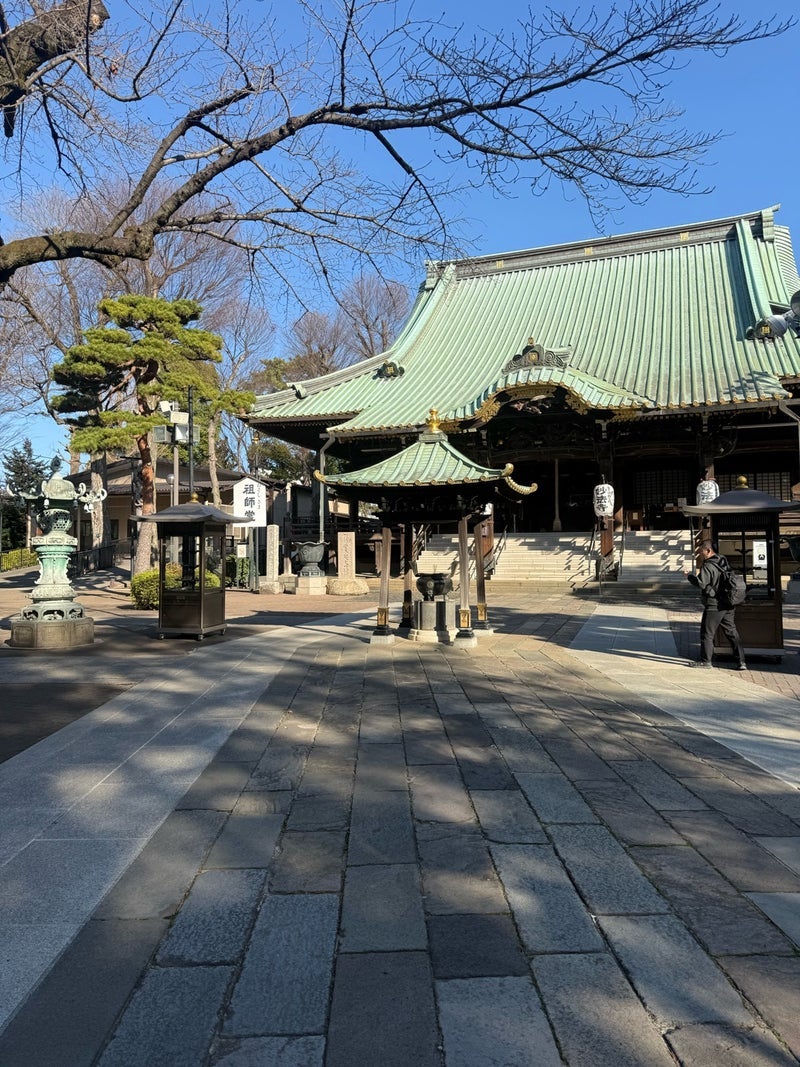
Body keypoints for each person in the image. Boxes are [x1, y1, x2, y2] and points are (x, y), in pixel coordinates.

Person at [684, 539, 747, 670]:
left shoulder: (708, 565)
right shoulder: (722, 560)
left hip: (714, 604)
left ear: (708, 551)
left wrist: (689, 576)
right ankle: (741, 661)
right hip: (729, 601)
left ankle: (706, 661)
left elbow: (701, 583)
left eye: (702, 551)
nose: (701, 554)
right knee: (731, 632)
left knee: (707, 633)